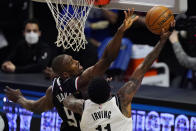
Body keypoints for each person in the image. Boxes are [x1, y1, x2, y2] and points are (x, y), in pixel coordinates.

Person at [4, 9, 139, 131]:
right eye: (72, 63)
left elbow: (36, 107)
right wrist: (120, 32)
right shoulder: (83, 81)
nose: (77, 61)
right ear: (66, 74)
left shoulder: (53, 89)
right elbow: (108, 58)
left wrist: (19, 98)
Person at [62, 26, 174, 130]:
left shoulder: (82, 106)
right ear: (109, 90)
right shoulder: (122, 101)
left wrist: (80, 89)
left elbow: (67, 101)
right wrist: (162, 40)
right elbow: (145, 66)